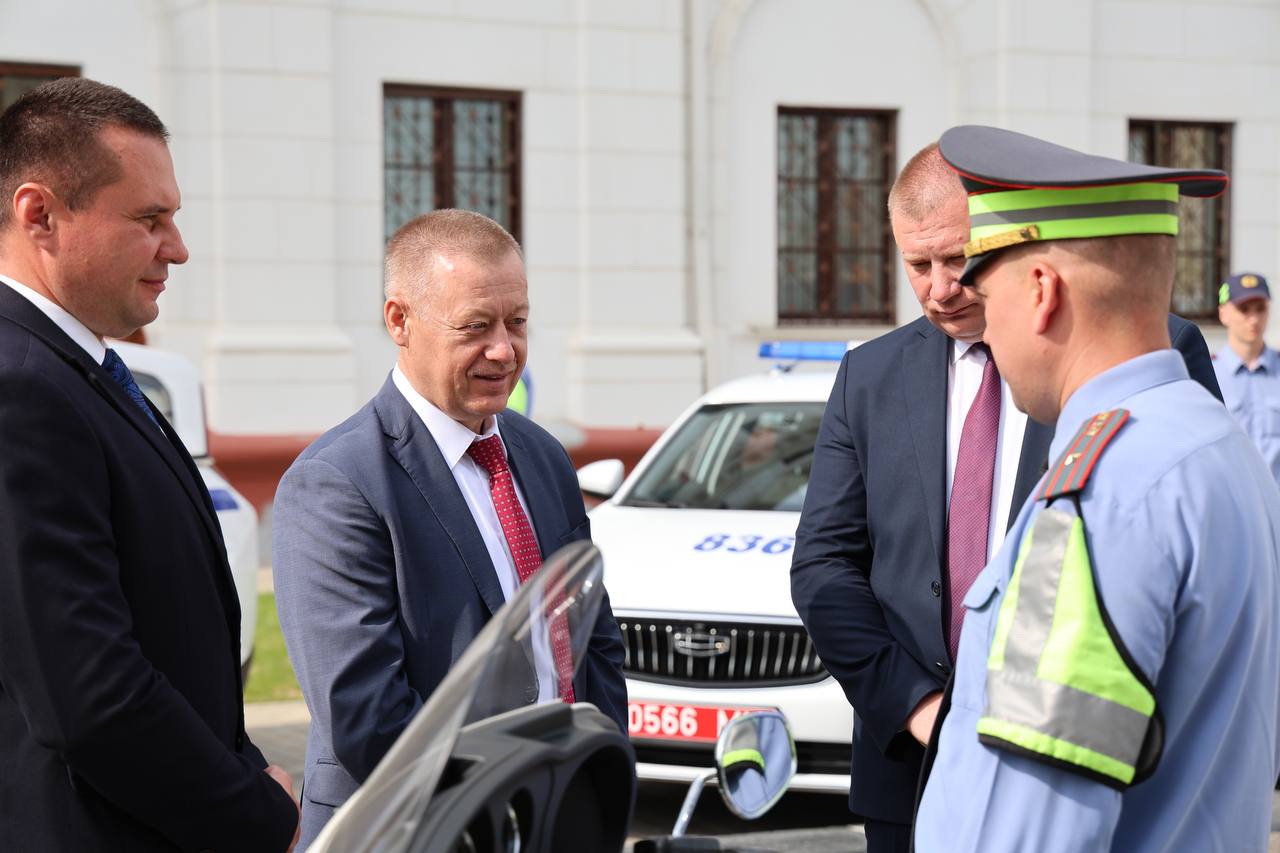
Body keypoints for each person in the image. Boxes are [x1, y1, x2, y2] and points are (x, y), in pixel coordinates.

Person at [789, 143, 1222, 853]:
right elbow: (824, 566)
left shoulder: (1138, 349)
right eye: (916, 265)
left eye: (957, 258)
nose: (939, 287)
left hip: (1081, 764)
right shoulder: (870, 376)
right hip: (909, 761)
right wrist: (922, 707)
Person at [914, 125, 1280, 852]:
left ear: (1042, 290)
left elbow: (1026, 830)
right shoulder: (1216, 442)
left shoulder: (1100, 496)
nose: (983, 332)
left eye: (987, 298)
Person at [0, 78, 299, 851]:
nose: (178, 247)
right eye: (149, 218)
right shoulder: (21, 388)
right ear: (41, 215)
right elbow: (90, 697)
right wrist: (255, 808)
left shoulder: (74, 370)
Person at [273, 208, 628, 849]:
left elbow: (591, 641)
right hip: (417, 832)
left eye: (517, 323)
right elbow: (365, 714)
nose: (504, 349)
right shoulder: (336, 482)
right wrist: (495, 809)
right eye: (475, 327)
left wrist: (587, 785)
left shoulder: (542, 455)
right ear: (399, 321)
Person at [1214, 272, 1280, 482]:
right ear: (1224, 314)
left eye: (1260, 309)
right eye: (1244, 309)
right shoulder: (1207, 374)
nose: (1254, 319)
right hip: (1231, 504)